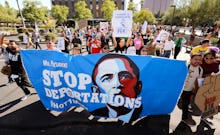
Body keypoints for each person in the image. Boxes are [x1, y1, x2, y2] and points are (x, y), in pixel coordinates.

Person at [91, 54, 142, 123]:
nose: (116, 83)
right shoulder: (93, 116)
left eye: (124, 76)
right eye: (107, 78)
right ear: (96, 91)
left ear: (138, 87)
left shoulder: (149, 118)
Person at [180, 53, 203, 126]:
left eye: (199, 60)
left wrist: (196, 91)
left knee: (185, 104)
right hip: (178, 89)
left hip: (188, 90)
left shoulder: (200, 69)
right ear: (191, 59)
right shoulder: (185, 66)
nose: (197, 61)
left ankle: (184, 118)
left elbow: (199, 81)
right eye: (195, 59)